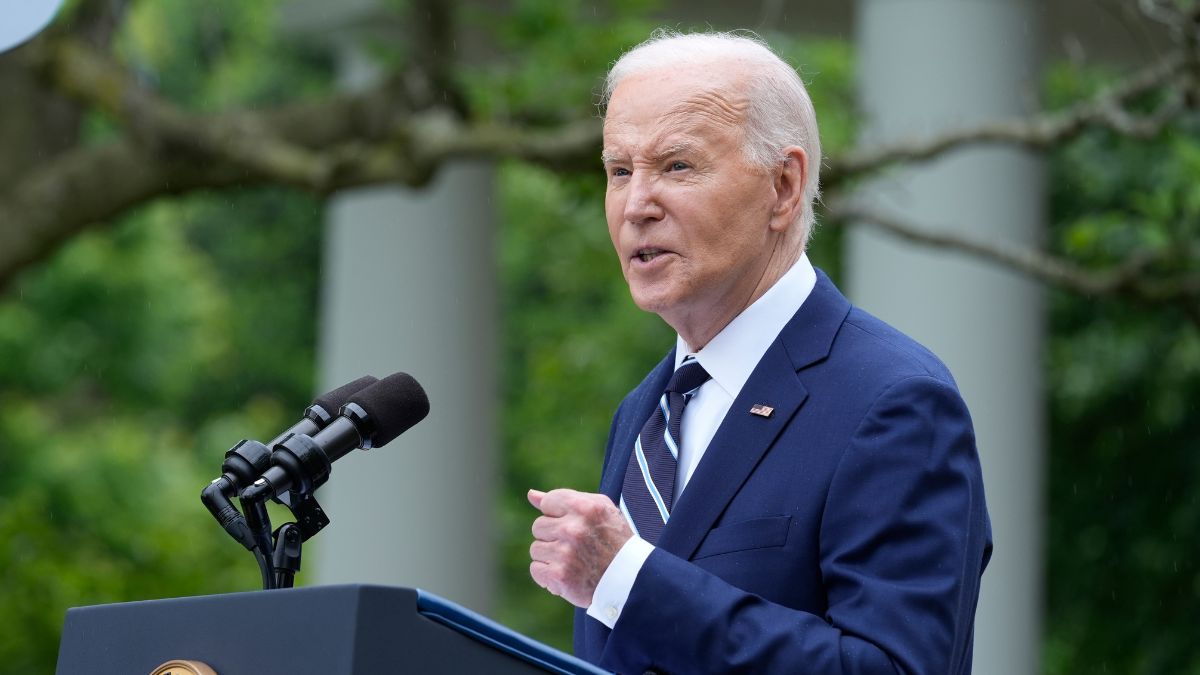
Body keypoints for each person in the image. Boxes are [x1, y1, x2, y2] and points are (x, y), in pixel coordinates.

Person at [528, 29, 992, 675]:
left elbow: (893, 667)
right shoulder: (643, 412)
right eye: (619, 171)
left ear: (783, 185)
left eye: (677, 165)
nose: (636, 205)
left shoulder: (895, 401)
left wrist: (633, 579)